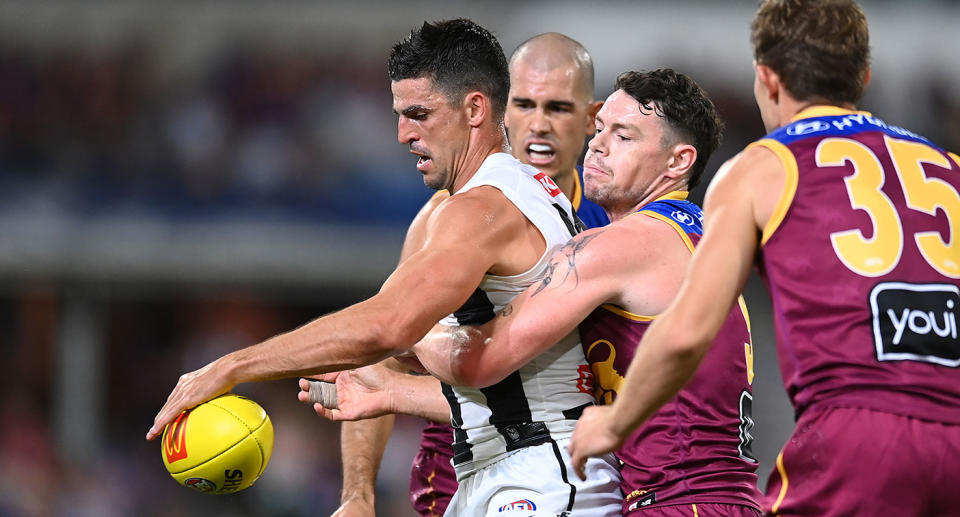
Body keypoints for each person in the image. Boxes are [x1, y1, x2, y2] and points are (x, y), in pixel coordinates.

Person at [147, 18, 621, 516]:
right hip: (503, 466)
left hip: (543, 471)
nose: (402, 134)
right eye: (399, 114)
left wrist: (231, 367)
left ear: (475, 108)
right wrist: (358, 494)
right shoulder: (488, 202)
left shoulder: (485, 210)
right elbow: (380, 360)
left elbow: (386, 328)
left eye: (418, 114)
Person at [567, 2, 960, 516]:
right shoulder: (948, 167)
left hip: (856, 433)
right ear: (863, 77)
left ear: (767, 80)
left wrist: (614, 422)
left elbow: (688, 327)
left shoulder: (762, 165)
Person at [322, 68, 763, 516]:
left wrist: (406, 324)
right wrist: (395, 392)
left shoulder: (620, 244)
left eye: (624, 137)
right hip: (715, 496)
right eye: (602, 129)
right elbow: (541, 397)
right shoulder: (691, 237)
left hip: (675, 501)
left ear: (678, 162)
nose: (599, 144)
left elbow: (486, 358)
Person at [327, 32, 606, 517]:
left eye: (557, 108)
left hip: (554, 471)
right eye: (523, 104)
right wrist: (358, 494)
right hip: (455, 476)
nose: (537, 125)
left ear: (590, 119)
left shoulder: (612, 225)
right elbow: (382, 357)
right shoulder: (443, 219)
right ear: (494, 108)